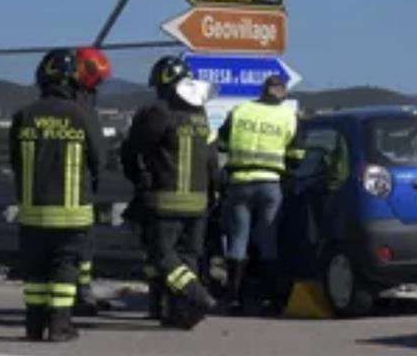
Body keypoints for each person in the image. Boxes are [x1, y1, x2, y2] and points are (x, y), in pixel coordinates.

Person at [9, 49, 105, 342]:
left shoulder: (24, 115)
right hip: (72, 212)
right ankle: (60, 326)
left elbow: (14, 160)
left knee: (36, 273)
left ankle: (34, 326)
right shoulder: (82, 114)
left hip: (32, 211)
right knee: (64, 269)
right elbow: (99, 157)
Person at [121, 55, 218, 329]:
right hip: (199, 203)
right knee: (187, 259)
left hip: (165, 201)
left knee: (161, 257)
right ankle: (182, 314)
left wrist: (139, 178)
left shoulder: (158, 112)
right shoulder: (201, 117)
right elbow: (212, 161)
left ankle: (197, 296)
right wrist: (213, 194)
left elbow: (133, 150)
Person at [217, 75, 304, 315]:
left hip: (240, 182)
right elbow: (297, 156)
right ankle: (272, 299)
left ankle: (234, 297)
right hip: (270, 183)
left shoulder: (241, 110)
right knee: (269, 241)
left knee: (238, 241)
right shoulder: (289, 116)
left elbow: (221, 144)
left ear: (262, 90)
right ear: (284, 92)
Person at [71, 47, 111, 317]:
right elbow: (97, 148)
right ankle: (80, 293)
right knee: (82, 242)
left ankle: (79, 291)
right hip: (78, 183)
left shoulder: (76, 98)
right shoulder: (80, 104)